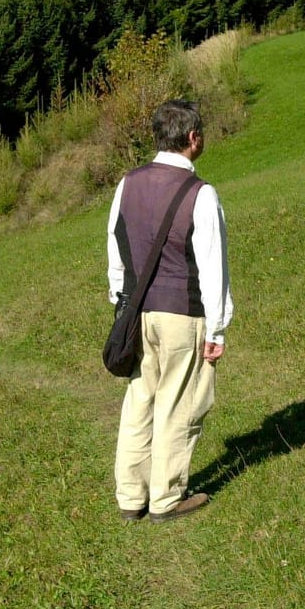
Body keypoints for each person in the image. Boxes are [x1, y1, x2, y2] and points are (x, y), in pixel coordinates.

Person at [106, 99, 233, 522]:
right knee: (179, 406)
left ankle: (130, 497)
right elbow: (213, 266)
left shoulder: (127, 183)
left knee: (139, 402)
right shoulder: (201, 193)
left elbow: (117, 246)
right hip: (183, 313)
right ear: (193, 138)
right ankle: (165, 499)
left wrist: (120, 302)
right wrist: (216, 329)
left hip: (137, 313)